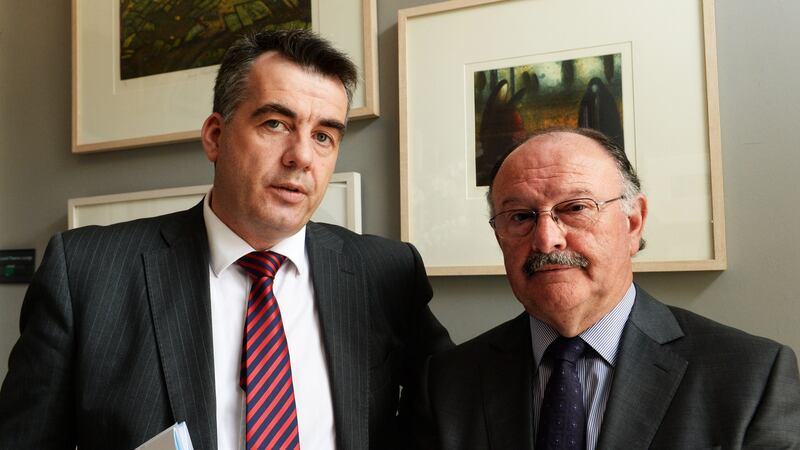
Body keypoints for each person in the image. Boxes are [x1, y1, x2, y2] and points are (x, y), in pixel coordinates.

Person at [0, 29, 452, 450]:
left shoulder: (386, 272)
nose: (301, 157)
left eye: (323, 136)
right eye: (276, 123)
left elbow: (455, 407)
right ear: (216, 137)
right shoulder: (85, 273)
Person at [401, 128, 800, 449]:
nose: (546, 239)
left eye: (575, 208)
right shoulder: (447, 383)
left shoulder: (751, 377)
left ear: (633, 222)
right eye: (520, 216)